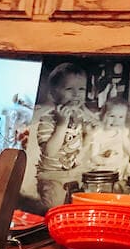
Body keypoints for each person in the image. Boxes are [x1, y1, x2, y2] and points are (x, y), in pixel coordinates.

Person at [34, 61, 99, 210]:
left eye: (82, 88)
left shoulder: (80, 115)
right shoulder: (48, 119)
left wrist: (89, 134)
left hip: (75, 172)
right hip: (52, 175)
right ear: (53, 94)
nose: (77, 94)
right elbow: (49, 152)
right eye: (69, 88)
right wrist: (62, 125)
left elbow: (83, 144)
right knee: (54, 208)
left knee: (78, 206)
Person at [81, 98, 130, 190]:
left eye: (121, 117)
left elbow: (128, 146)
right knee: (101, 178)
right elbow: (93, 155)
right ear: (102, 116)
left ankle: (127, 189)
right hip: (104, 164)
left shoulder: (121, 132)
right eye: (112, 116)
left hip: (120, 163)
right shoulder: (98, 134)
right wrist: (105, 161)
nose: (116, 121)